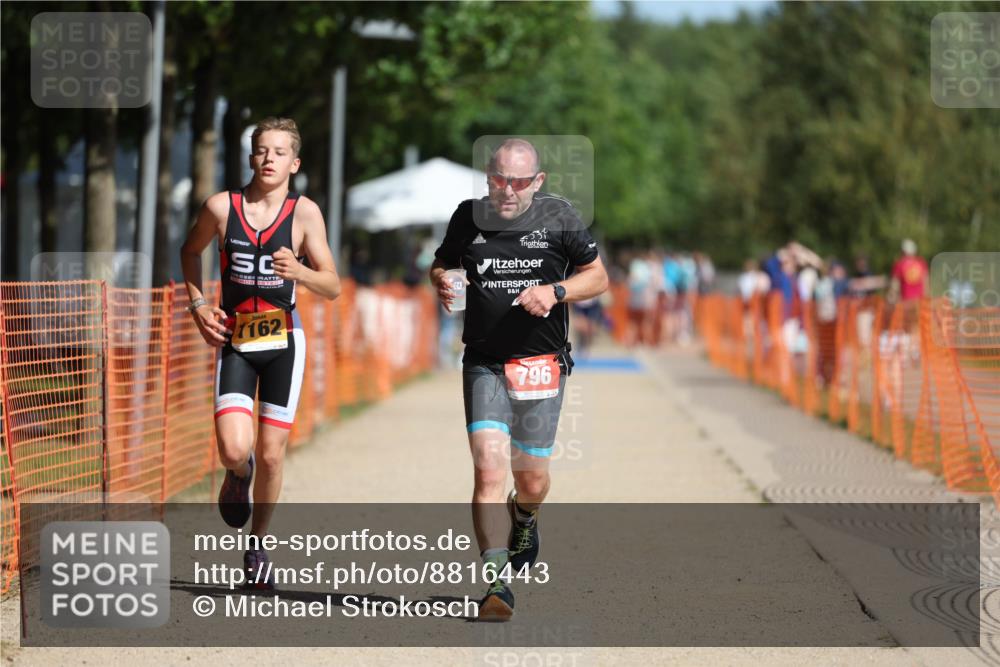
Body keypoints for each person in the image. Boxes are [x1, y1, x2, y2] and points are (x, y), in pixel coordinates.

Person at [429, 138, 608, 621]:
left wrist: (556, 291)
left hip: (541, 364)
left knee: (531, 478)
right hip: (483, 361)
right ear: (488, 176)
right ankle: (495, 583)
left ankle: (525, 514)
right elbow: (441, 262)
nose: (507, 191)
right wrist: (441, 280)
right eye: (498, 180)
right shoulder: (468, 215)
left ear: (539, 182)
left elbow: (598, 277)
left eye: (519, 182)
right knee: (488, 470)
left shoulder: (559, 217)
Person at [180, 117, 341, 589]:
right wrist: (197, 304)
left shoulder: (305, 213)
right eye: (261, 150)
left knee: (272, 454)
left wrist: (301, 273)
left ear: (295, 162)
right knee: (235, 448)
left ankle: (258, 545)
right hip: (236, 339)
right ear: (251, 158)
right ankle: (237, 472)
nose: (268, 159)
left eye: (278, 152)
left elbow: (330, 284)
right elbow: (190, 252)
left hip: (284, 342)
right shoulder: (221, 207)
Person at [889, 238, 929, 303]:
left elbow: (894, 286)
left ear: (903, 251)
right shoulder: (921, 263)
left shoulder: (899, 264)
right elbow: (926, 284)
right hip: (920, 302)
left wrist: (892, 298)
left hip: (906, 303)